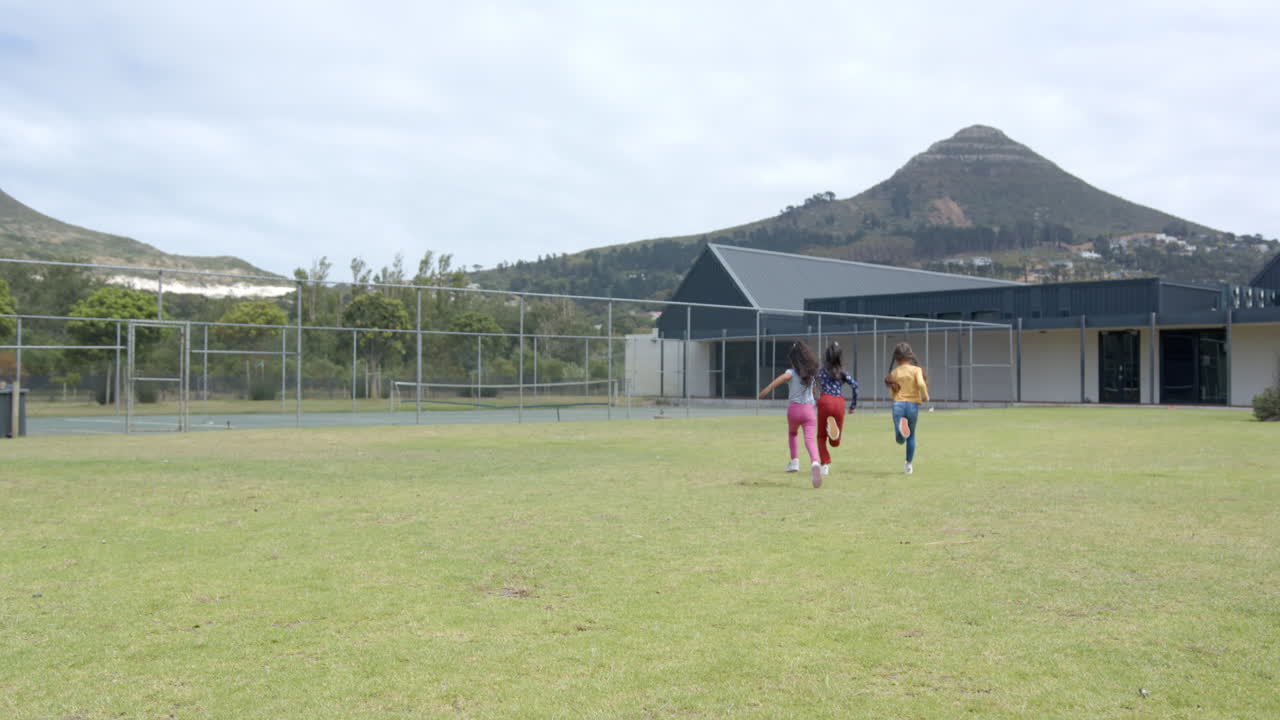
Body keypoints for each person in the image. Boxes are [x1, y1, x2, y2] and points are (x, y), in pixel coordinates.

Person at [757, 340, 823, 488]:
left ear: (793, 360)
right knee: (810, 439)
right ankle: (815, 462)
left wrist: (766, 390)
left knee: (793, 434)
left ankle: (794, 461)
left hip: (794, 410)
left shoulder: (790, 373)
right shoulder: (810, 375)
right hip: (809, 411)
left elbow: (781, 379)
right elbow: (814, 393)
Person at [883, 342, 929, 475]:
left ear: (896, 359)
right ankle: (908, 465)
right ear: (910, 356)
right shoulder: (916, 370)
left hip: (898, 405)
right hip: (912, 405)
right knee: (912, 436)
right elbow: (920, 383)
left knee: (900, 439)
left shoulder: (895, 372)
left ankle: (900, 433)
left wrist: (895, 397)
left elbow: (893, 392)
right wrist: (925, 396)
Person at [816, 341, 859, 478]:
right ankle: (834, 435)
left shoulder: (821, 371)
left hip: (824, 401)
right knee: (835, 443)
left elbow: (811, 383)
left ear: (826, 356)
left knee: (821, 437)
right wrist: (853, 405)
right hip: (839, 403)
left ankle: (825, 464)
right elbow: (855, 386)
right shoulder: (843, 372)